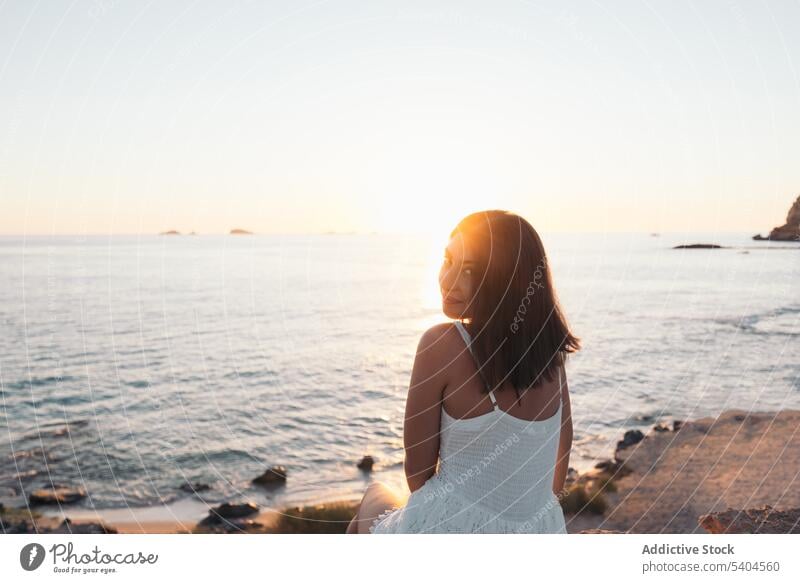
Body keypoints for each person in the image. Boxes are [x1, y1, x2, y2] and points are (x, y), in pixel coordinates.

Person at [346, 210, 580, 534]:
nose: (447, 279)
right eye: (447, 260)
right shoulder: (552, 357)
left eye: (469, 270)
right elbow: (560, 455)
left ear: (504, 278)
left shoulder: (441, 344)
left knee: (373, 495)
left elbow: (417, 477)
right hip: (539, 529)